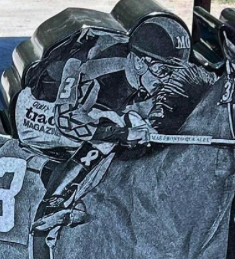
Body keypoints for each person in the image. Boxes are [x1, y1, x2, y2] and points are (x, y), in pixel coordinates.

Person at [13, 14, 192, 232]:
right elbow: (66, 120)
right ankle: (52, 204)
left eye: (173, 73)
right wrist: (119, 133)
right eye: (163, 72)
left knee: (132, 125)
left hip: (84, 108)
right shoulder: (92, 64)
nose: (166, 81)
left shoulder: (145, 74)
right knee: (111, 132)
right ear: (139, 62)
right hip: (39, 111)